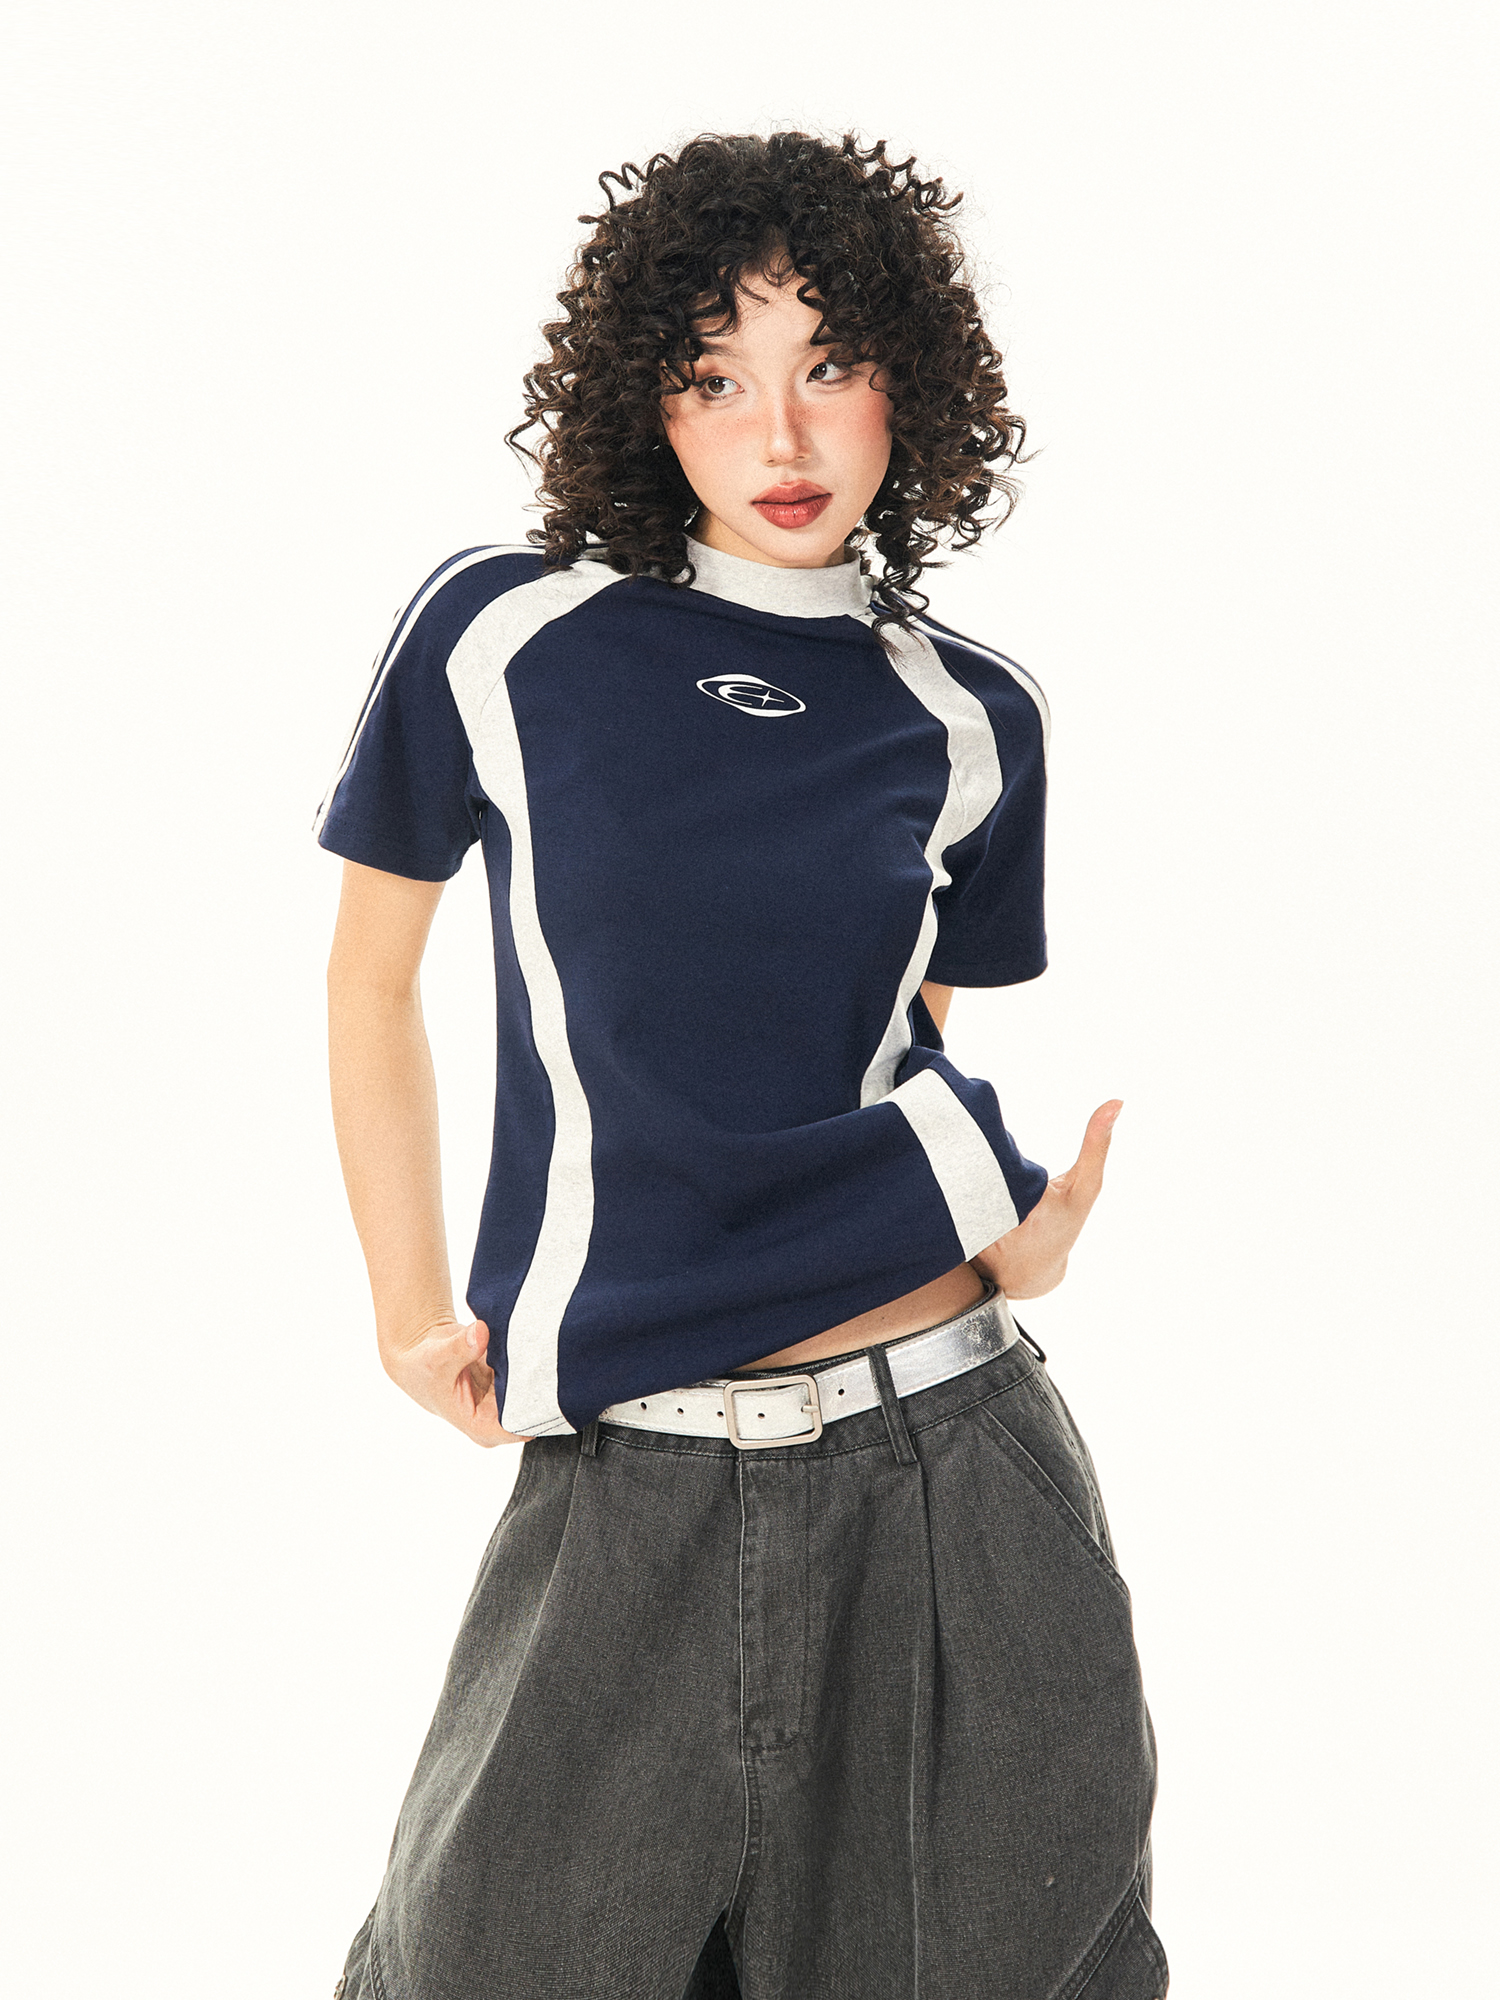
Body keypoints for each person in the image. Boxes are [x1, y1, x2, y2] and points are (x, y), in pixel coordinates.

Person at [316, 131, 1168, 2000]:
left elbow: (893, 1040)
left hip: (956, 1465)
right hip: (629, 1471)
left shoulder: (973, 712)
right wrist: (407, 1308)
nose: (780, 434)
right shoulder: (504, 634)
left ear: (908, 387)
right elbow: (372, 982)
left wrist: (1005, 1224)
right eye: (716, 377)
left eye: (829, 365)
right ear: (648, 402)